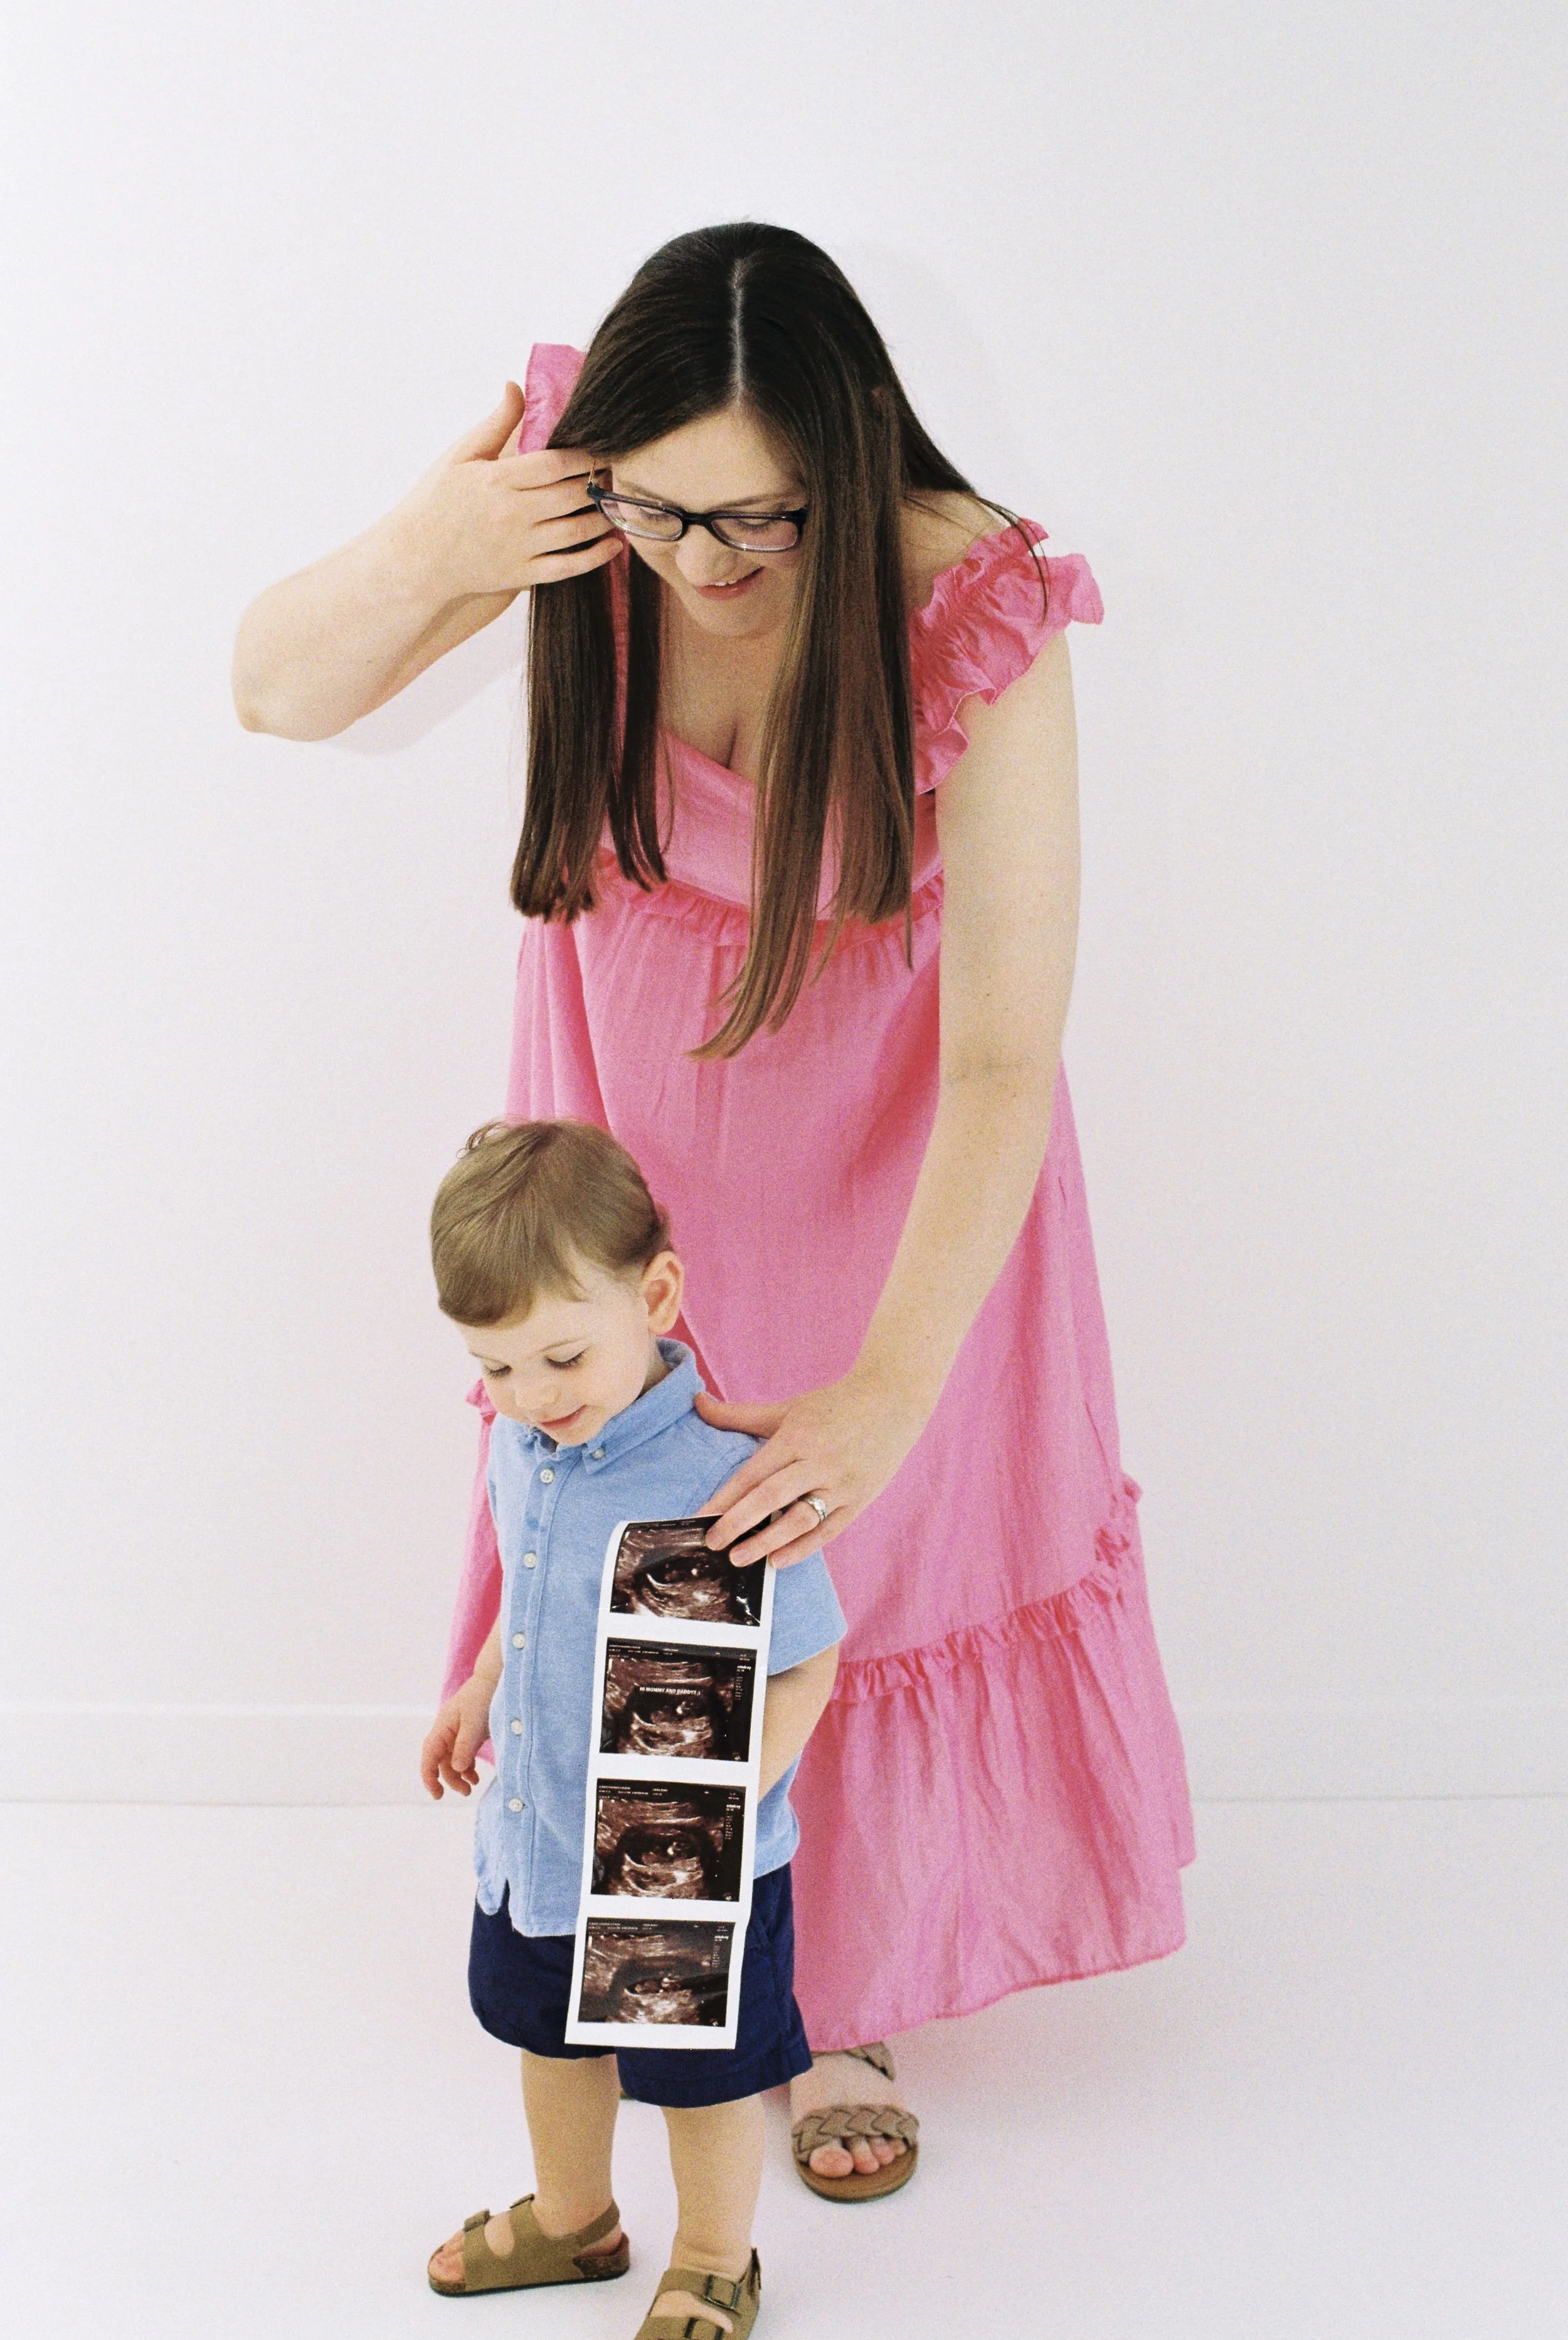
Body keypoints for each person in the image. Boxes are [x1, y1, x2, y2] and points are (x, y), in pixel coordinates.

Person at [233, 221, 1194, 2198]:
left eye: (766, 519)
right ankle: (649, 1994)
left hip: (891, 1192)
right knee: (627, 1569)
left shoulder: (971, 603)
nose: (710, 565)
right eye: (669, 513)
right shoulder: (583, 522)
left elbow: (1010, 1051)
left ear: (850, 466)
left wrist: (884, 1391)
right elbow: (274, 690)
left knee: (852, 1574)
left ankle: (838, 1994)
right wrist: (446, 542)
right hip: (624, 1205)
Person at [420, 1117, 845, 2339]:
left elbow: (811, 1658)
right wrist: (475, 1683)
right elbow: (525, 1579)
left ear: (653, 1295)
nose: (530, 1396)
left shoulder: (719, 1479)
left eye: (558, 1356)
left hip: (674, 1858)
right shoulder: (522, 1445)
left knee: (691, 2075)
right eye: (497, 1368)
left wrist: (722, 1798)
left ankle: (714, 2255)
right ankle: (574, 2215)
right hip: (544, 1836)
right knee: (550, 2037)